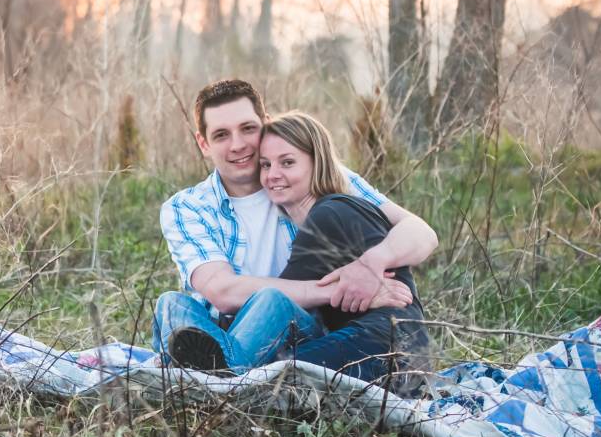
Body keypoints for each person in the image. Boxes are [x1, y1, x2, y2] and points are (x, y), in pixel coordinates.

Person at [155, 80, 437, 381]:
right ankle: (222, 371)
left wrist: (371, 265)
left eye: (248, 128)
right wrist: (336, 289)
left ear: (264, 125)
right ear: (204, 144)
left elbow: (422, 233)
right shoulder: (188, 207)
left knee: (272, 300)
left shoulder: (306, 176)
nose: (237, 144)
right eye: (222, 135)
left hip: (298, 331)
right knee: (170, 303)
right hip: (224, 333)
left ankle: (222, 383)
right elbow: (222, 291)